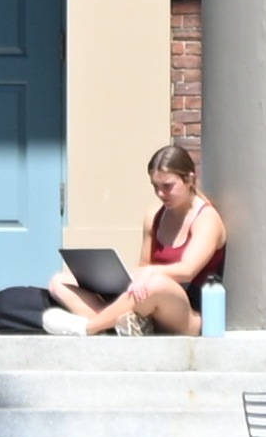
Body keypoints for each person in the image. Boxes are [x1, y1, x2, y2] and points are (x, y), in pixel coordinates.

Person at [43, 140, 230, 337]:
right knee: (59, 282)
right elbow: (143, 265)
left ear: (190, 179)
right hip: (148, 302)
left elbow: (187, 271)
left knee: (156, 283)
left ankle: (87, 327)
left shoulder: (206, 219)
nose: (160, 194)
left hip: (187, 313)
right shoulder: (154, 215)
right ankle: (119, 323)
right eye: (155, 186)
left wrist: (148, 273)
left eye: (167, 186)